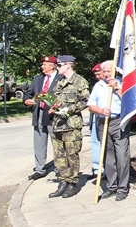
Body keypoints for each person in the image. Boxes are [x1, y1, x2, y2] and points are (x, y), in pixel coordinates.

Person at [87, 60, 130, 201]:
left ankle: (123, 188)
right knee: (107, 155)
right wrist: (100, 110)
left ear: (115, 71)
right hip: (102, 121)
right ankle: (112, 186)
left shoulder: (122, 83)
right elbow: (91, 105)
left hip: (118, 121)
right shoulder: (98, 86)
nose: (105, 74)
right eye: (104, 71)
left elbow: (129, 102)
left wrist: (116, 87)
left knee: (121, 155)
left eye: (108, 71)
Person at [48, 55, 90, 198]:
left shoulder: (79, 81)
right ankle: (63, 181)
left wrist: (69, 109)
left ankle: (72, 183)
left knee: (72, 155)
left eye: (59, 66)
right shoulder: (60, 82)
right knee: (59, 156)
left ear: (68, 65)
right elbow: (56, 100)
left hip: (71, 125)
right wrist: (54, 108)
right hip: (58, 124)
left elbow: (86, 101)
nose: (57, 68)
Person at [23, 56, 63, 180]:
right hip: (38, 114)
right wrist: (26, 100)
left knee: (57, 142)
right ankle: (40, 168)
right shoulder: (38, 79)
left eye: (45, 64)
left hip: (53, 116)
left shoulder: (61, 78)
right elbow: (28, 93)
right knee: (39, 143)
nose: (42, 67)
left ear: (52, 66)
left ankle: (59, 169)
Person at [87, 63, 103, 180]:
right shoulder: (97, 86)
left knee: (104, 144)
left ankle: (105, 170)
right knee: (95, 141)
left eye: (99, 74)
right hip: (95, 116)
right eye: (96, 75)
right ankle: (96, 169)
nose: (98, 76)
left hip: (104, 117)